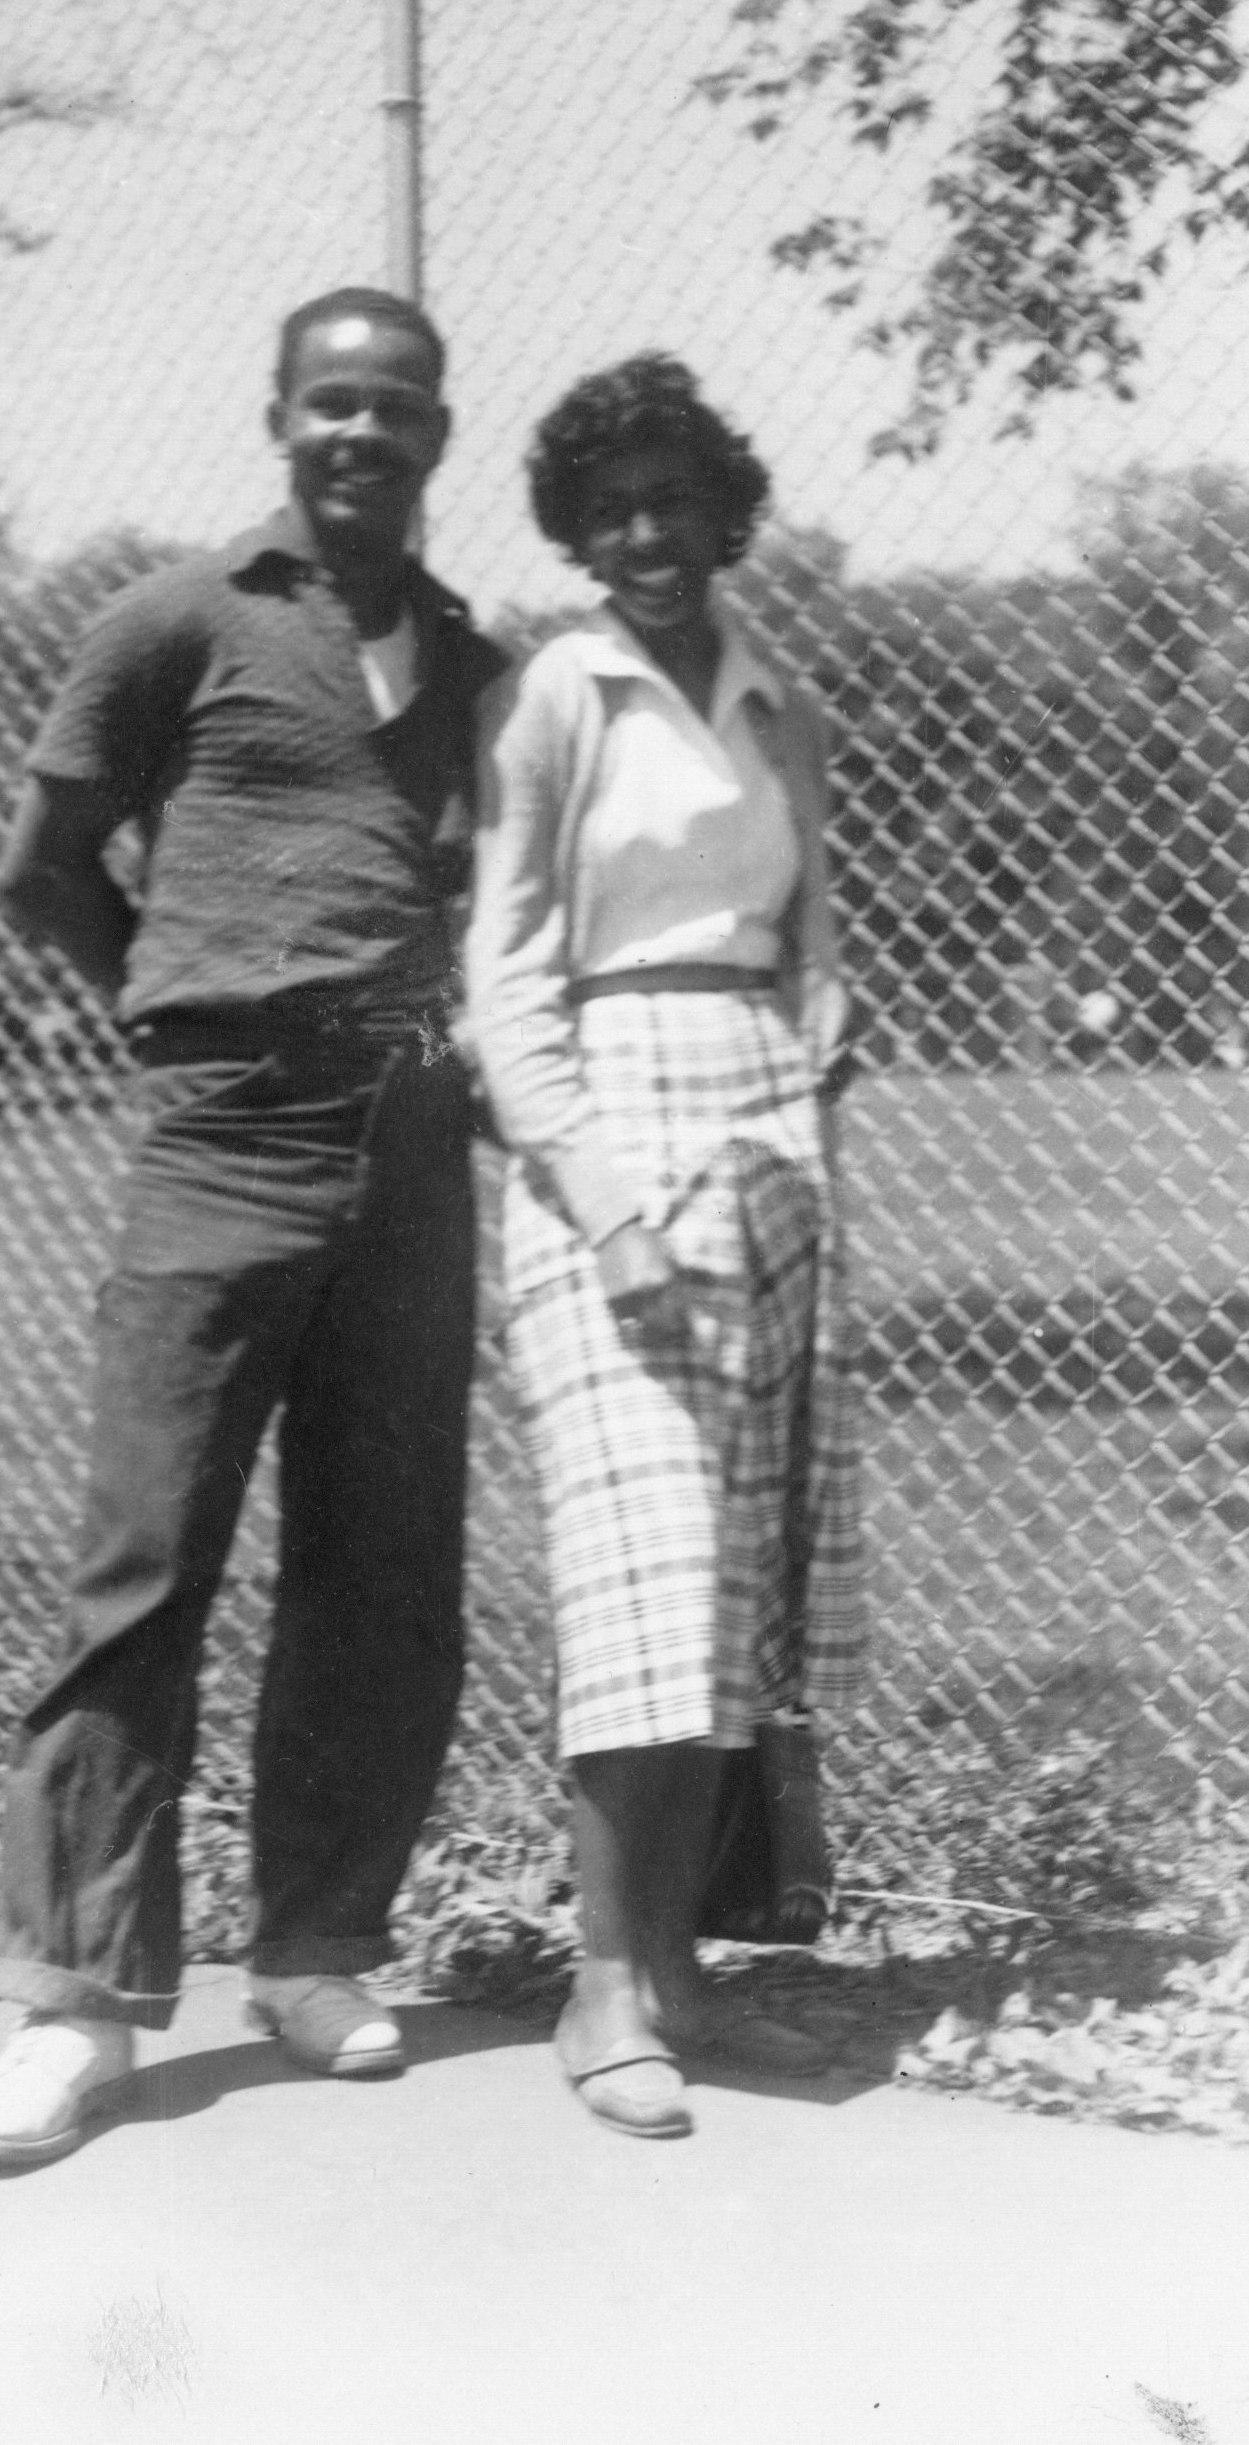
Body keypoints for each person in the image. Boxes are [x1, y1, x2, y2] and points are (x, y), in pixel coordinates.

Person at [0, 287, 506, 2172]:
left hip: (416, 1154)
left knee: (385, 1565)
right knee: (148, 1561)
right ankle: (72, 2006)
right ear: (279, 417)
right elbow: (42, 866)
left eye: (399, 406)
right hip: (225, 1142)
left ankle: (320, 1949)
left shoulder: (474, 659)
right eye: (332, 401)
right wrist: (184, 1014)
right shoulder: (178, 621)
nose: (365, 431)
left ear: (441, 433)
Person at [465, 353, 862, 2142]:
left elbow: (814, 937)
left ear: (724, 513)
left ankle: (688, 1977)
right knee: (645, 1562)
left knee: (739, 1577)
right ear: (574, 528)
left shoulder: (775, 698)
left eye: (673, 502)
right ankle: (600, 1988)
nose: (645, 537)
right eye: (609, 508)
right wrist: (608, 1203)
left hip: (766, 1130)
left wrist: (813, 1073)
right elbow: (504, 976)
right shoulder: (563, 690)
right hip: (604, 1133)